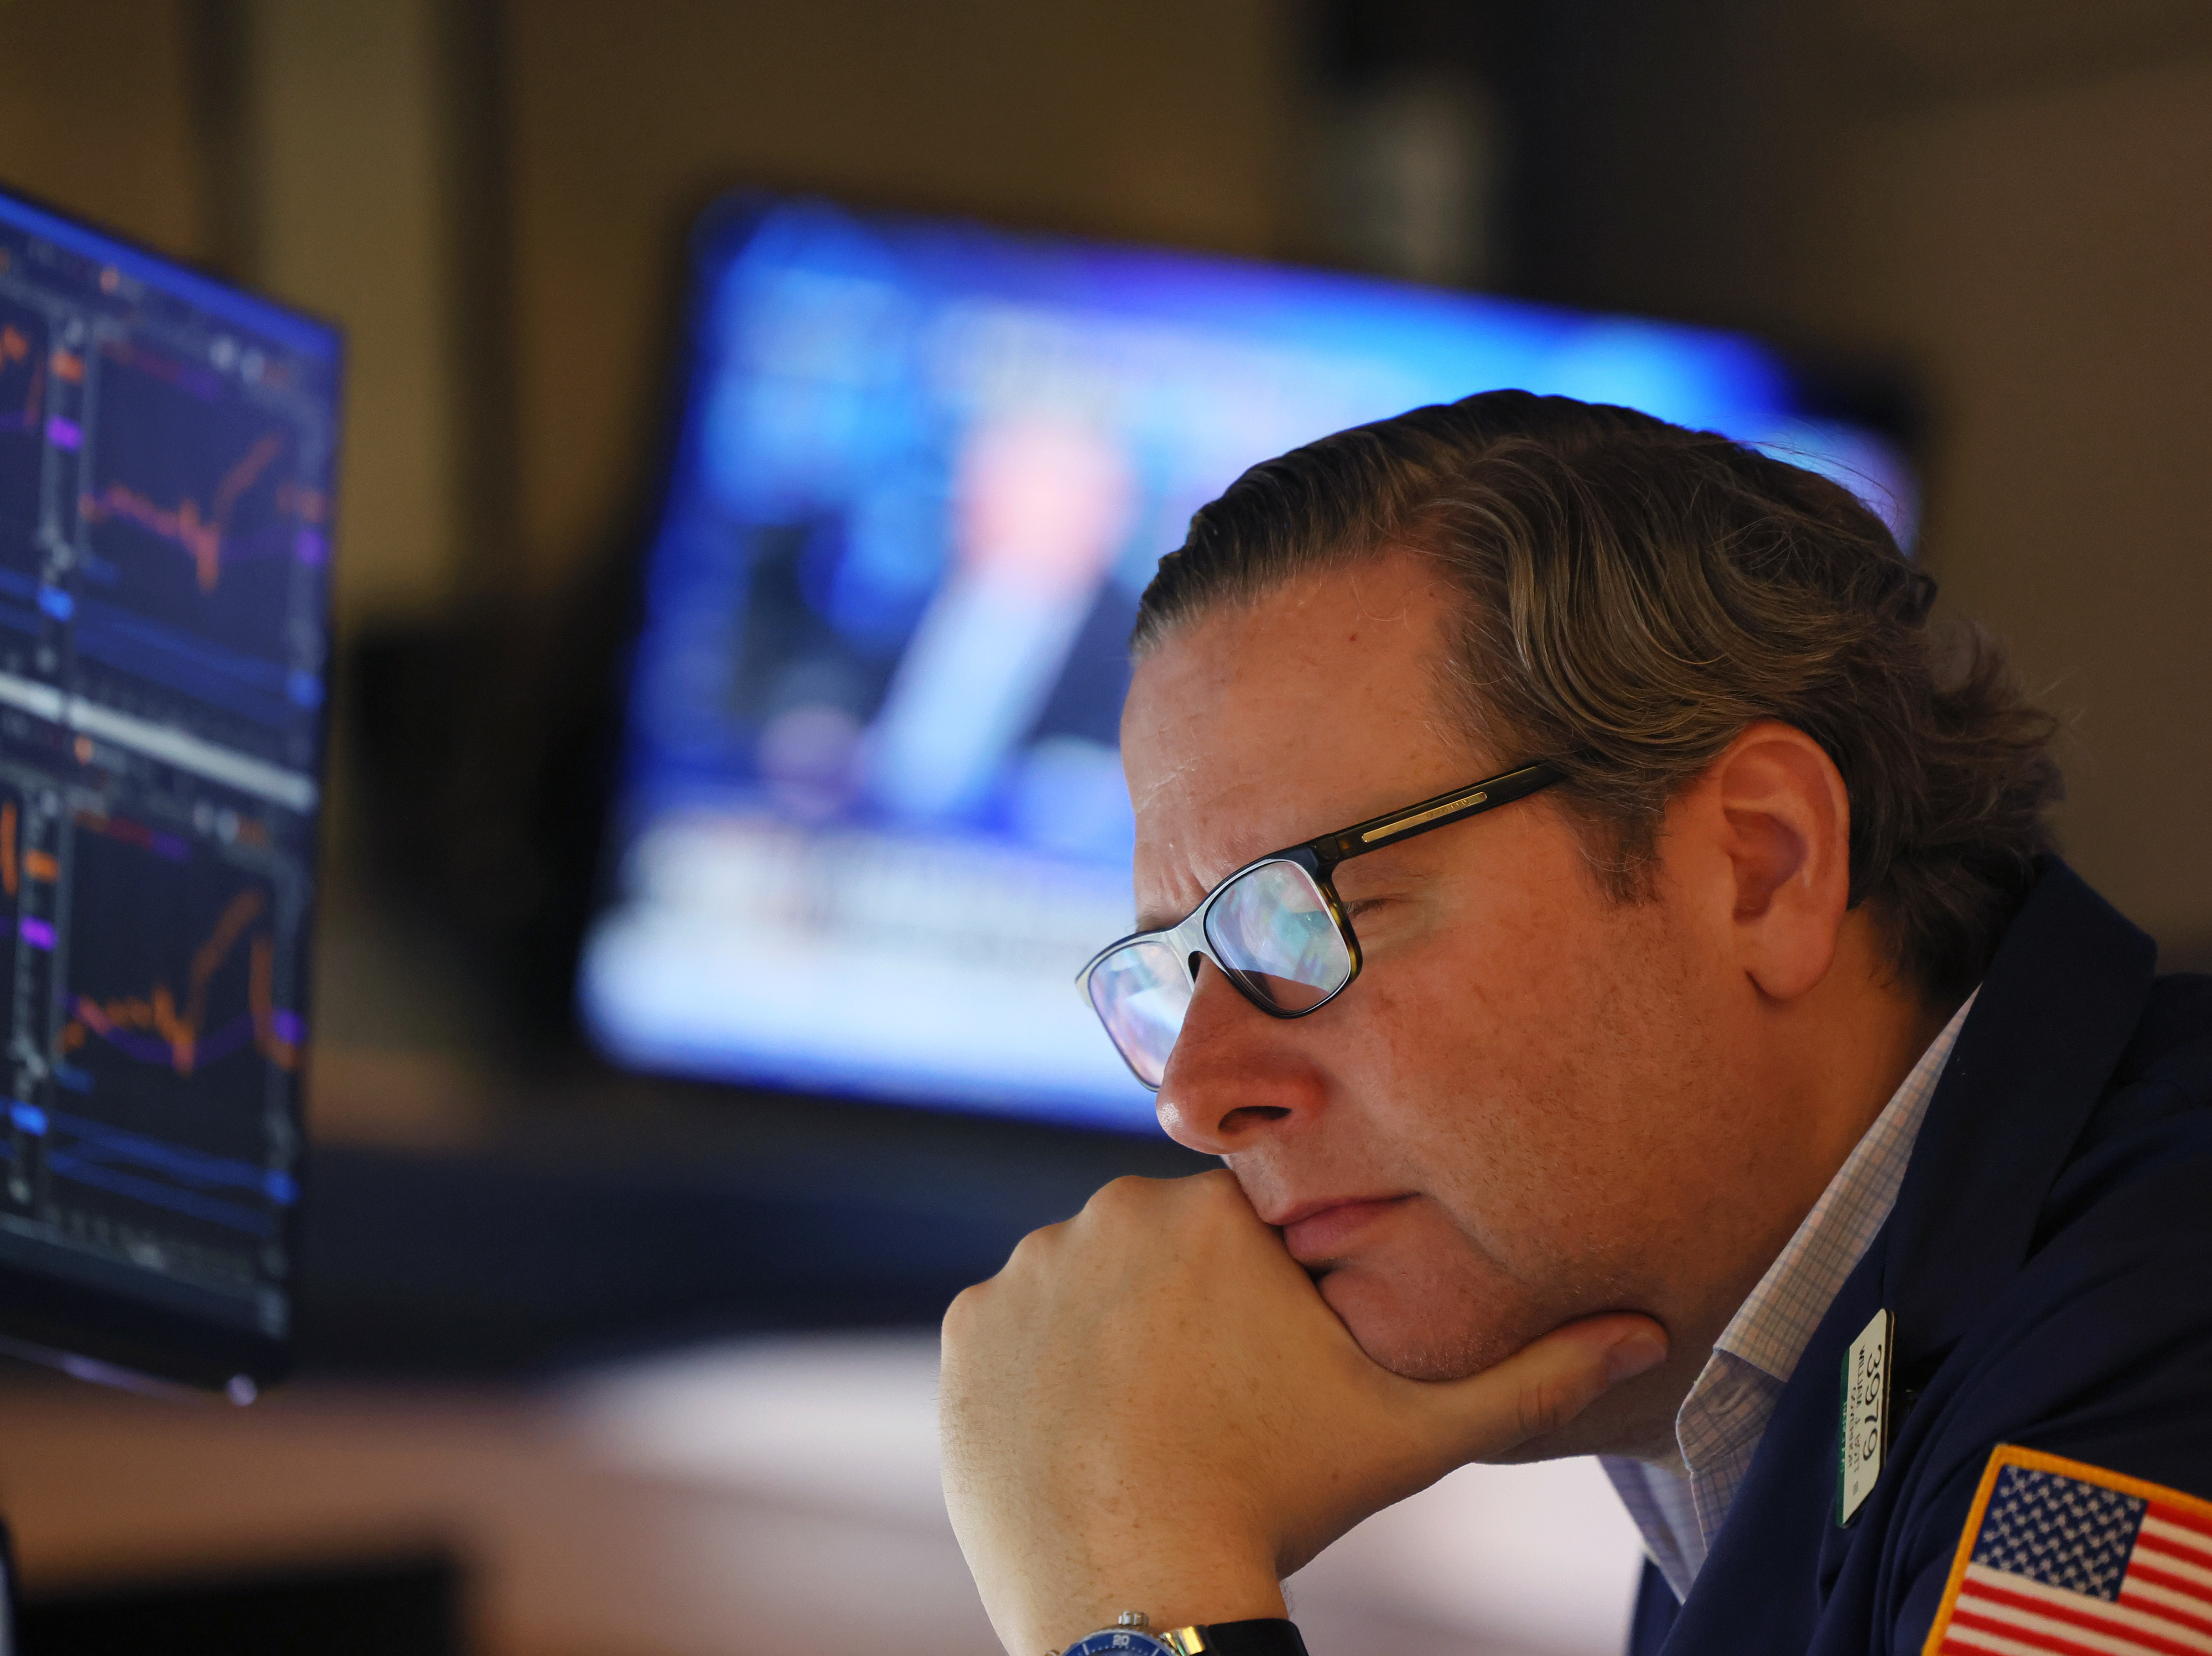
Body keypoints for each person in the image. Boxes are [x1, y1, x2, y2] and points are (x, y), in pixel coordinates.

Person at [937, 392, 2212, 1656]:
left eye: (1309, 924)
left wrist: (1133, 1594)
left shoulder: (2153, 1369)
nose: (1196, 1096)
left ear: (1759, 866)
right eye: (1184, 971)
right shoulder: (1794, 1391)